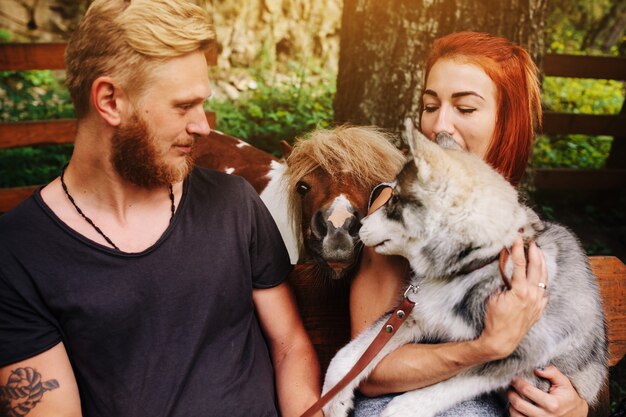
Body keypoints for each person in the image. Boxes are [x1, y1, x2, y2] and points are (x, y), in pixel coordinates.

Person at [0, 1, 322, 416]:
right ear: (110, 101)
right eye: (183, 106)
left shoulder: (233, 203)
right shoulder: (18, 254)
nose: (204, 125)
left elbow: (289, 345)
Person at [349, 32, 590, 417]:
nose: (439, 125)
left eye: (465, 108)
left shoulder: (521, 224)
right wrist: (486, 348)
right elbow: (370, 370)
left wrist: (574, 408)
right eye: (430, 105)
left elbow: (570, 357)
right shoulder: (396, 207)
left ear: (505, 121)